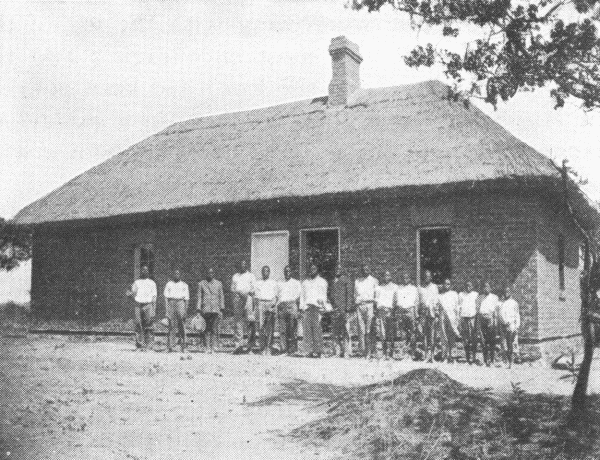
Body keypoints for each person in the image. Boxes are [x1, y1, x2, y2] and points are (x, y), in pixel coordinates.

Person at [300, 264, 328, 358]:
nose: (312, 270)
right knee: (307, 330)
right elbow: (302, 297)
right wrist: (302, 308)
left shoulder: (322, 282)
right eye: (311, 268)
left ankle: (319, 351)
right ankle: (309, 351)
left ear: (317, 270)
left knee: (317, 330)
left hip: (316, 308)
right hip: (307, 308)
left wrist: (322, 306)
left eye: (314, 268)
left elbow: (324, 295)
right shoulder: (305, 283)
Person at [127, 266, 157, 350]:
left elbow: (154, 297)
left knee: (149, 325)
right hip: (138, 305)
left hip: (148, 305)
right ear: (141, 271)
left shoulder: (152, 283)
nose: (144, 271)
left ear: (148, 272)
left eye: (146, 270)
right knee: (138, 324)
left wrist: (153, 309)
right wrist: (129, 294)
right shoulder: (137, 282)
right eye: (143, 270)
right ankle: (140, 344)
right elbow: (131, 293)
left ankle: (149, 345)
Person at [231, 260, 256, 353]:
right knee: (238, 323)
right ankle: (238, 346)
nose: (243, 266)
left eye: (244, 265)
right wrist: (238, 292)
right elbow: (232, 288)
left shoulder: (251, 276)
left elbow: (253, 289)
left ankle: (250, 347)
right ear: (239, 266)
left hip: (248, 299)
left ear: (247, 266)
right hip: (238, 299)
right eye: (241, 265)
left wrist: (246, 293)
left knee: (250, 323)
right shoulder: (235, 276)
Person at [329, 264, 353, 358]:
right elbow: (331, 295)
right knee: (335, 332)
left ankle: (346, 352)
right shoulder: (333, 281)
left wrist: (347, 309)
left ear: (342, 270)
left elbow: (349, 295)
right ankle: (337, 352)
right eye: (336, 268)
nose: (337, 270)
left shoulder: (346, 280)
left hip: (344, 310)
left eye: (339, 268)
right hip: (335, 310)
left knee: (345, 331)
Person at [354, 264, 379, 358]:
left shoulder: (374, 281)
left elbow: (377, 295)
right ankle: (363, 351)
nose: (365, 271)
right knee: (361, 329)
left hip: (370, 305)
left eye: (367, 269)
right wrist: (357, 302)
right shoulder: (357, 281)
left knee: (369, 329)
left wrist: (375, 308)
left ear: (369, 270)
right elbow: (355, 295)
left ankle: (370, 351)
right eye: (363, 269)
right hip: (360, 306)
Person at [198, 268, 224, 353]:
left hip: (215, 309)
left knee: (214, 328)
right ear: (206, 273)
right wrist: (198, 309)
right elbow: (199, 297)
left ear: (214, 274)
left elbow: (221, 296)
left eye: (212, 272)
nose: (210, 274)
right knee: (205, 329)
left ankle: (213, 347)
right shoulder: (201, 283)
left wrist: (221, 309)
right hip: (205, 308)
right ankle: (207, 347)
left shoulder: (219, 283)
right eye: (208, 272)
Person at [276, 266, 301, 355]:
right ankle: (283, 349)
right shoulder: (280, 283)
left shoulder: (296, 282)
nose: (287, 273)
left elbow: (298, 295)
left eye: (289, 271)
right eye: (285, 271)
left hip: (291, 305)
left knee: (292, 327)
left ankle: (292, 349)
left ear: (291, 272)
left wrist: (293, 303)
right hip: (282, 306)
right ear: (284, 272)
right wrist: (278, 305)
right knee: (282, 329)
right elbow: (277, 295)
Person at [254, 266, 278, 355]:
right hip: (261, 304)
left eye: (267, 271)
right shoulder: (258, 283)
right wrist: (258, 308)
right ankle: (262, 347)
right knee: (261, 327)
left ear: (269, 272)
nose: (265, 273)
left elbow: (276, 296)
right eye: (263, 271)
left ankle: (269, 347)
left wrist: (272, 306)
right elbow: (256, 297)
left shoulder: (273, 283)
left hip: (270, 304)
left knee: (270, 327)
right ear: (261, 272)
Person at [163, 269, 189, 352]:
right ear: (173, 274)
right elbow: (166, 298)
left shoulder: (184, 285)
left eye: (178, 273)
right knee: (171, 325)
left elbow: (187, 299)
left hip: (181, 303)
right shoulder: (169, 284)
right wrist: (167, 309)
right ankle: (170, 346)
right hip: (171, 303)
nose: (176, 275)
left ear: (180, 275)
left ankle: (183, 346)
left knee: (182, 325)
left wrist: (185, 310)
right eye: (175, 273)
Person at [375, 270, 398, 360]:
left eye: (388, 275)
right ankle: (384, 353)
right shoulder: (379, 288)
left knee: (391, 333)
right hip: (381, 312)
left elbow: (396, 300)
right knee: (382, 333)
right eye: (385, 275)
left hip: (390, 312)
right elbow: (377, 300)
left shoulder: (395, 287)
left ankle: (391, 354)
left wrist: (392, 310)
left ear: (391, 276)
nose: (386, 277)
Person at [437, 278, 460, 363]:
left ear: (450, 285)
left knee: (452, 337)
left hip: (452, 317)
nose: (446, 285)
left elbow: (457, 308)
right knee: (444, 337)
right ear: (443, 285)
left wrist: (457, 319)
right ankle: (445, 356)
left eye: (448, 284)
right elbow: (438, 308)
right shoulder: (440, 296)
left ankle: (453, 357)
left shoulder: (454, 294)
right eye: (445, 284)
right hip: (443, 317)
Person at [396, 273, 419, 359]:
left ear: (409, 279)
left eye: (407, 278)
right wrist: (398, 314)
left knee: (413, 333)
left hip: (411, 311)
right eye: (403, 278)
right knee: (403, 333)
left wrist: (416, 314)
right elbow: (398, 302)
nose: (405, 279)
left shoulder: (414, 288)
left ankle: (412, 353)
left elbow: (416, 302)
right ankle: (404, 354)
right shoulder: (399, 289)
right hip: (402, 311)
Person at [498, 285, 520, 368]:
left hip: (511, 325)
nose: (506, 293)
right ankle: (505, 361)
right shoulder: (501, 303)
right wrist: (503, 322)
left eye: (508, 291)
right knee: (504, 345)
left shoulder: (514, 303)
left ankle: (512, 362)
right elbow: (500, 315)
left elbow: (517, 315)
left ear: (510, 292)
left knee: (511, 344)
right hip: (503, 325)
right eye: (505, 292)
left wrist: (516, 326)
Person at [419, 270, 439, 362]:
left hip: (432, 314)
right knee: (425, 335)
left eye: (428, 276)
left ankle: (432, 356)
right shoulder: (420, 288)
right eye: (425, 276)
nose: (427, 278)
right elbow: (418, 302)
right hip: (423, 314)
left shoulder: (434, 287)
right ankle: (426, 355)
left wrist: (436, 314)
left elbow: (436, 301)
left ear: (431, 277)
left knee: (432, 335)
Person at [479, 281, 499, 366]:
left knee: (492, 341)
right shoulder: (480, 297)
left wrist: (494, 322)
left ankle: (492, 360)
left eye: (487, 287)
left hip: (490, 319)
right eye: (484, 287)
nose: (486, 288)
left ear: (490, 288)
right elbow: (478, 309)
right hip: (482, 319)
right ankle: (485, 360)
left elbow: (496, 312)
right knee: (483, 341)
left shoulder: (494, 297)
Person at [458, 281, 479, 364]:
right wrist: (459, 319)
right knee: (465, 338)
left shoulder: (475, 294)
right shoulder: (461, 295)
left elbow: (477, 307)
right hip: (464, 318)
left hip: (472, 318)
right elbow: (459, 307)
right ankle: (467, 358)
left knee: (473, 338)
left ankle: (473, 357)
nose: (468, 287)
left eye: (470, 286)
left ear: (472, 286)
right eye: (466, 286)